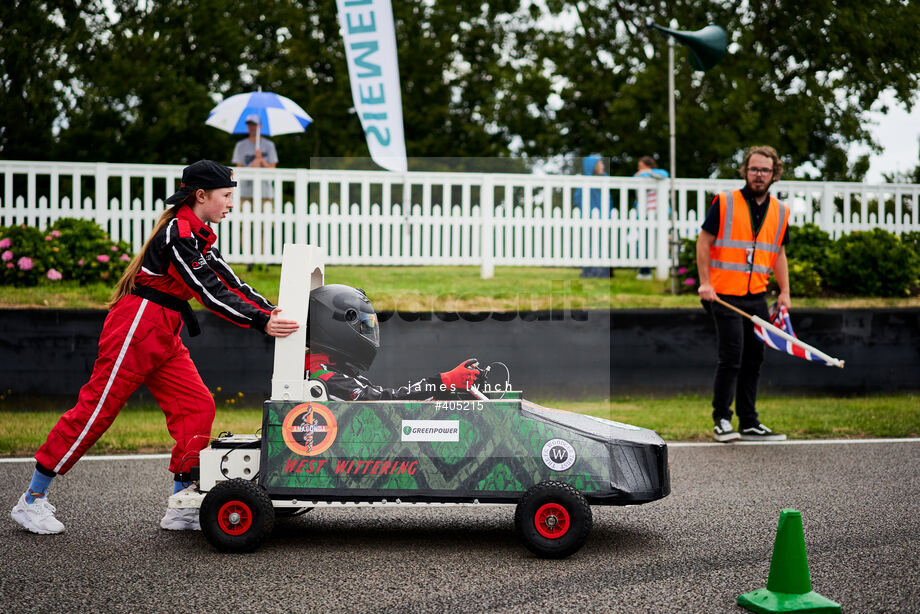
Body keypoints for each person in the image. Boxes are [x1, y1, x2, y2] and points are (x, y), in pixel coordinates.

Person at [10, 160, 299, 535]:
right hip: (135, 329)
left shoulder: (198, 233)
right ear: (201, 195)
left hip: (164, 332)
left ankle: (181, 506)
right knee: (96, 410)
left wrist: (272, 310)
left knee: (196, 406)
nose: (232, 203)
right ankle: (31, 500)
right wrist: (261, 322)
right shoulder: (179, 233)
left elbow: (230, 283)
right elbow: (207, 290)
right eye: (227, 196)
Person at [696, 145, 790, 443]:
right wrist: (705, 283)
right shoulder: (725, 202)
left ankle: (749, 422)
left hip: (756, 296)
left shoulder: (780, 211)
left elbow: (779, 254)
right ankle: (722, 419)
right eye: (753, 169)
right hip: (723, 294)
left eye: (764, 170)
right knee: (732, 356)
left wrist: (785, 291)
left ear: (774, 173)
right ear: (745, 171)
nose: (758, 175)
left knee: (754, 357)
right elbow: (703, 242)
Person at [305, 284, 481, 401]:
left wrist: (444, 390)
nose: (369, 331)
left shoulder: (335, 368)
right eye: (364, 325)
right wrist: (444, 381)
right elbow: (385, 402)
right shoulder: (323, 374)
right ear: (336, 326)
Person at [573, 154, 611, 278]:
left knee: (602, 246)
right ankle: (589, 272)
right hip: (589, 220)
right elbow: (578, 200)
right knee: (589, 246)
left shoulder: (605, 181)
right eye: (600, 163)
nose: (603, 166)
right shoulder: (585, 183)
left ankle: (601, 272)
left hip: (604, 219)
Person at [633, 156, 669, 280]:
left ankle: (654, 269)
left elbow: (664, 175)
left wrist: (647, 172)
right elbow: (635, 178)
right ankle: (645, 270)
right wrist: (643, 173)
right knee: (643, 242)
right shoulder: (639, 176)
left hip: (659, 215)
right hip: (645, 215)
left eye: (641, 166)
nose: (639, 169)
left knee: (658, 243)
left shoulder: (657, 174)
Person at [231, 113, 278, 203]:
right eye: (250, 125)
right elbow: (238, 169)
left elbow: (273, 169)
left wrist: (262, 161)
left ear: (260, 126)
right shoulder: (240, 145)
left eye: (255, 125)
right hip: (245, 192)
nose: (252, 127)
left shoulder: (269, 145)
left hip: (265, 192)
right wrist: (252, 166)